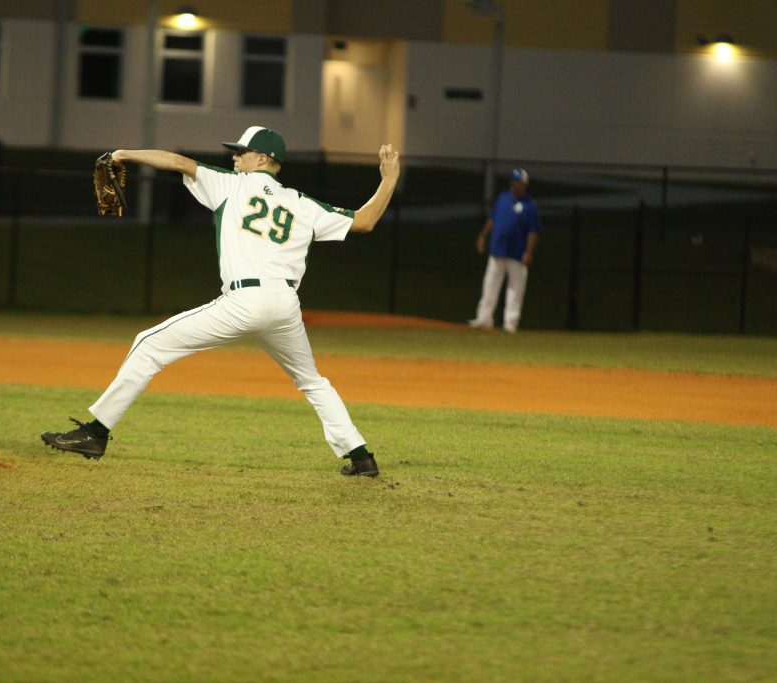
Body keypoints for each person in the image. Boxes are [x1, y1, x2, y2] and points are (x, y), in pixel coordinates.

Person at [41, 126, 401, 477]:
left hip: (245, 300)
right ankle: (360, 456)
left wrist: (123, 154)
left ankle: (95, 434)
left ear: (262, 158)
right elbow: (366, 221)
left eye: (240, 152)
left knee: (148, 344)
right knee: (311, 381)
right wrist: (387, 180)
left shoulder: (232, 184)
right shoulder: (301, 203)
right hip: (285, 305)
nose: (234, 157)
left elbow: (179, 162)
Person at [468, 168, 542, 333]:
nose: (521, 186)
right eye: (518, 183)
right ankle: (484, 318)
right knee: (490, 285)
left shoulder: (529, 205)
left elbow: (533, 231)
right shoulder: (503, 199)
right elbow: (492, 220)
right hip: (498, 250)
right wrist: (482, 236)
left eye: (523, 184)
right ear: (512, 183)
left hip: (517, 253)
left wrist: (529, 252)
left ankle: (510, 322)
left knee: (515, 289)